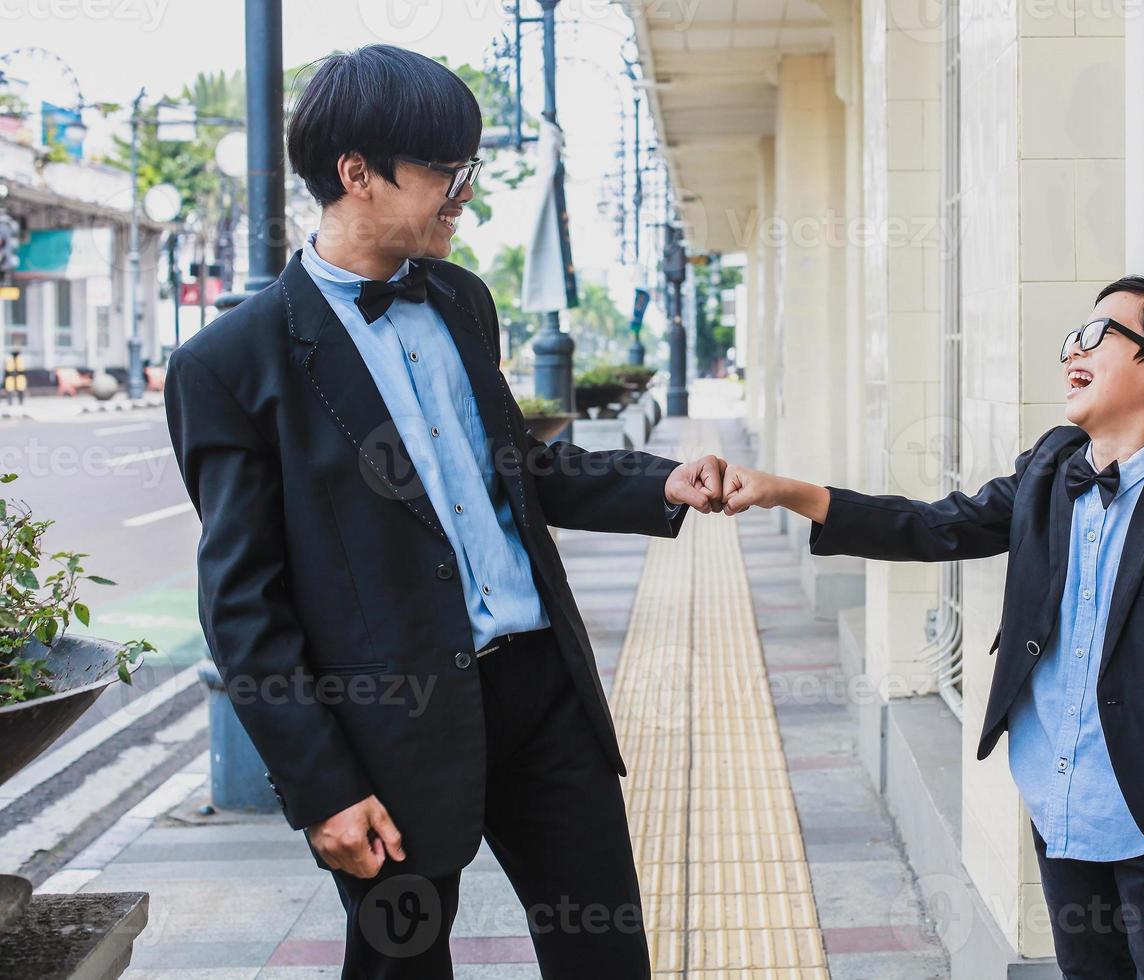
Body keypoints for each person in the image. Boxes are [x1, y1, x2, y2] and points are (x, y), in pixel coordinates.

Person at [164, 44, 724, 980]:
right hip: (391, 724)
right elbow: (243, 608)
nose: (464, 192)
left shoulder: (461, 299)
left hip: (541, 691)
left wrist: (657, 483)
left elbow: (515, 467)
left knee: (606, 955)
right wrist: (321, 790)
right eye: (447, 171)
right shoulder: (231, 364)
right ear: (357, 175)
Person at [720, 276, 1144, 978]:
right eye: (1074, 334)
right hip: (1056, 792)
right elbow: (933, 525)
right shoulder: (1049, 470)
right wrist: (788, 491)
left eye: (1100, 334)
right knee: (1089, 970)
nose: (1075, 347)